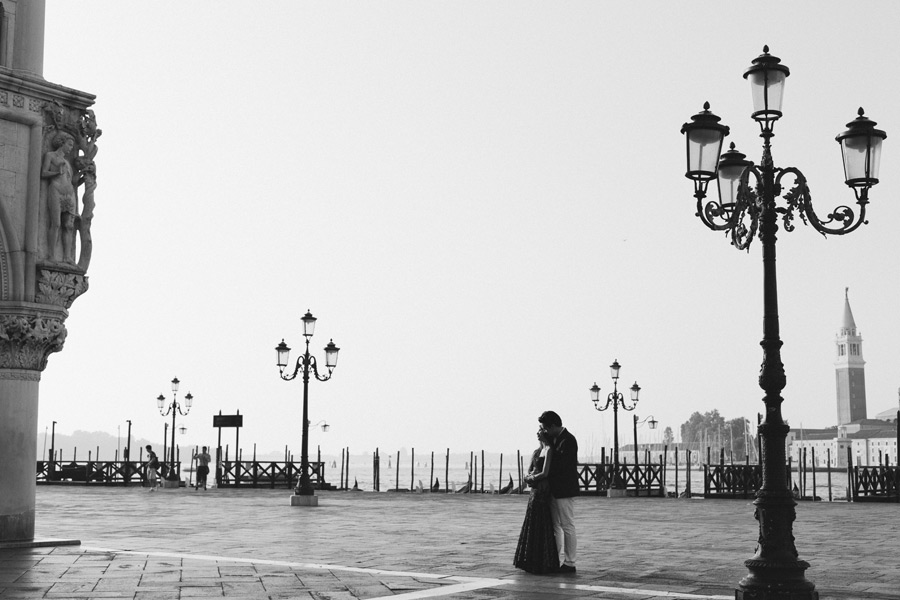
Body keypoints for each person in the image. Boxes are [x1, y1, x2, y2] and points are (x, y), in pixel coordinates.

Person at [513, 430, 560, 574]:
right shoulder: (536, 451)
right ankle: (532, 559)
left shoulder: (549, 450)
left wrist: (532, 478)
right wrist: (528, 476)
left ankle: (543, 561)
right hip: (534, 491)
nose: (537, 434)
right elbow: (530, 469)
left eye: (540, 432)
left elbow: (545, 472)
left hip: (542, 490)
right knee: (532, 521)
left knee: (542, 522)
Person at [538, 410, 579, 573]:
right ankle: (554, 558)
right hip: (554, 490)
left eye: (545, 428)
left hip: (564, 489)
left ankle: (570, 562)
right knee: (555, 526)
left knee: (567, 525)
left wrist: (548, 445)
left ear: (553, 426)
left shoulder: (568, 440)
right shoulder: (553, 439)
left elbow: (559, 465)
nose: (544, 431)